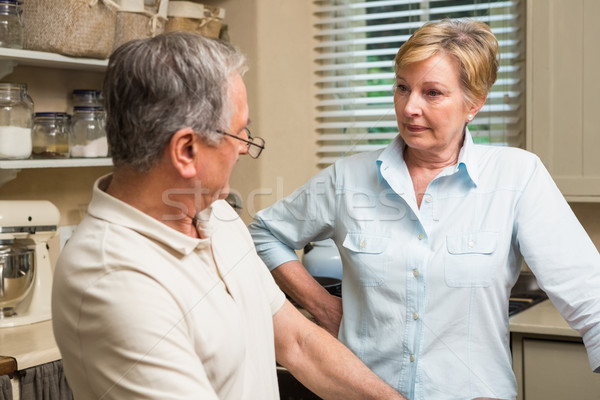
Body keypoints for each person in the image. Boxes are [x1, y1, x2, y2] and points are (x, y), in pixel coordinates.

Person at [249, 18, 600, 400]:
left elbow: (589, 296)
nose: (409, 107)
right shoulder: (348, 177)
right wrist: (323, 306)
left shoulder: (517, 175)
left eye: (431, 93)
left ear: (474, 103)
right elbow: (265, 233)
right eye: (402, 87)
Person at [51, 32, 407, 400]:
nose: (244, 149)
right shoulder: (112, 277)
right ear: (186, 150)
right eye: (239, 134)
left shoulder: (216, 215)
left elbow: (297, 342)